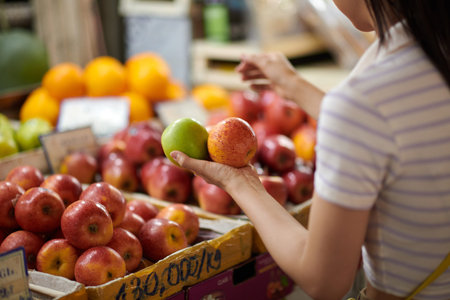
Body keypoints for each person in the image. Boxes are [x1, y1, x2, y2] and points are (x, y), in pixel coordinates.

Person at [171, 0, 450, 299]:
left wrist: (240, 183)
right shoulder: (432, 45)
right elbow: (389, 128)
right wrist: (292, 85)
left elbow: (324, 280)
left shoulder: (363, 101)